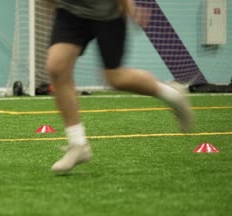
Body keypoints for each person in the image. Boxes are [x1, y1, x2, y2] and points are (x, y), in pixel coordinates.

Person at [46, 0, 194, 174]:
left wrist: (130, 8)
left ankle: (173, 94)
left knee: (115, 79)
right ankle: (78, 144)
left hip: (107, 14)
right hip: (70, 11)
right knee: (56, 67)